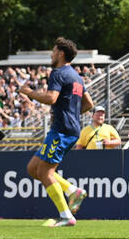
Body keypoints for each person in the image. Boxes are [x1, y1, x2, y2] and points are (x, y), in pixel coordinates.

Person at [19, 38, 91, 226]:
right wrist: (73, 115)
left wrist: (29, 92)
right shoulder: (76, 76)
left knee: (44, 171)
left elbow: (51, 98)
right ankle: (72, 191)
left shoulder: (58, 73)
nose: (51, 55)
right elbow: (88, 104)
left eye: (53, 51)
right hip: (67, 128)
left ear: (60, 53)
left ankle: (66, 215)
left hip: (62, 130)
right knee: (33, 169)